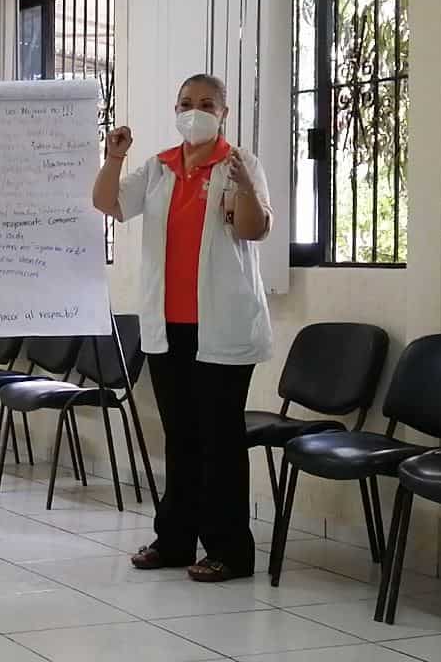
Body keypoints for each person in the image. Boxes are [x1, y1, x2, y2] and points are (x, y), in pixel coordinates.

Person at [92, 73, 273, 582]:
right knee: (180, 437)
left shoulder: (240, 163)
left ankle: (230, 551)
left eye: (207, 104)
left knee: (220, 439)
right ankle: (174, 541)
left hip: (222, 326)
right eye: (187, 103)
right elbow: (108, 203)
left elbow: (254, 229)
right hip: (168, 326)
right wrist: (114, 157)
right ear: (175, 110)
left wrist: (244, 187)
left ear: (224, 113)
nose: (196, 111)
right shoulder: (160, 167)